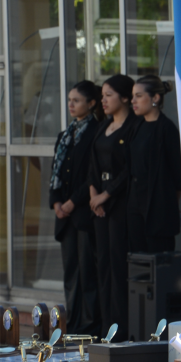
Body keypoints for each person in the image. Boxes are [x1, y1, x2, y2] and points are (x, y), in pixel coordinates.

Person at [50, 80, 103, 335]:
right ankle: (72, 322)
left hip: (84, 213)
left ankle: (90, 324)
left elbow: (91, 175)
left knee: (88, 272)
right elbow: (56, 171)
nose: (71, 105)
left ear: (91, 104)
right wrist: (57, 201)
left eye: (77, 100)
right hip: (65, 215)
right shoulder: (66, 134)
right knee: (71, 270)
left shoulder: (96, 131)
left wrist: (73, 201)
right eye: (70, 100)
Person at [89, 74, 138, 341]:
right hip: (99, 207)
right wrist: (93, 195)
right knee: (103, 267)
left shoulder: (133, 127)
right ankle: (105, 328)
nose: (103, 100)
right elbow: (92, 164)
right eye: (103, 95)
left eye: (109, 95)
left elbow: (130, 169)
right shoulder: (102, 126)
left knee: (120, 268)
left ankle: (120, 330)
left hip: (119, 205)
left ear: (125, 98)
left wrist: (106, 195)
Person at [127, 75, 181, 253]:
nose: (133, 100)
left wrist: (169, 205)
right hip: (135, 205)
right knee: (138, 261)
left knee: (159, 262)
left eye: (139, 95)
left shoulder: (167, 129)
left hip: (159, 208)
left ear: (155, 98)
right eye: (132, 95)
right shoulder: (137, 126)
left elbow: (177, 174)